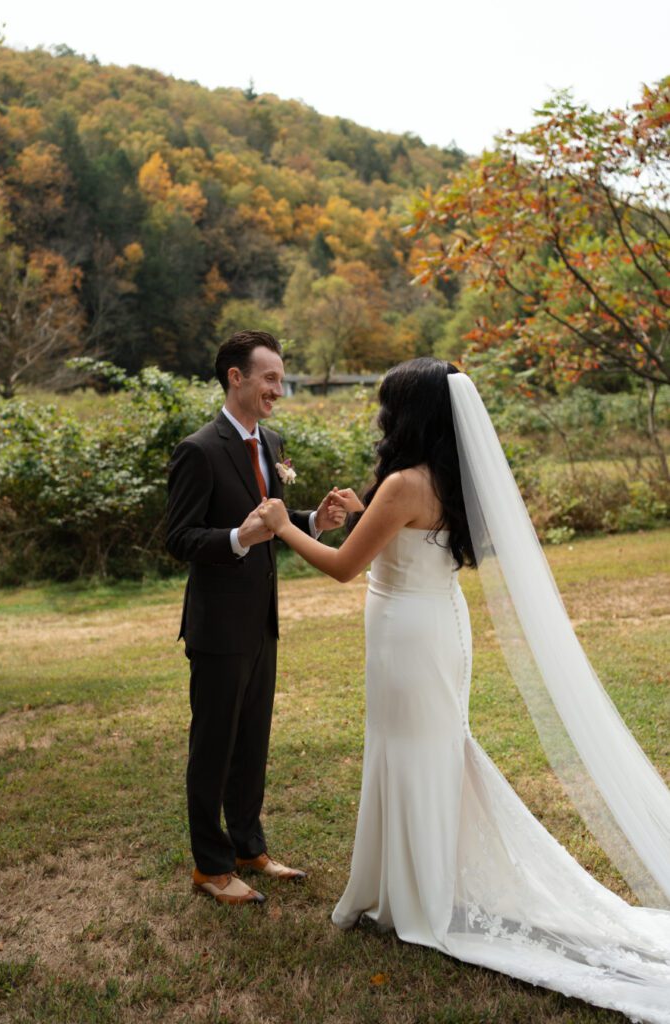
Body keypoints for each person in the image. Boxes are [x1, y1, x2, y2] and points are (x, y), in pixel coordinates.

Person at [257, 357, 670, 1023]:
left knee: (414, 753)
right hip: (434, 627)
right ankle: (411, 884)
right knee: (427, 751)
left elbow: (340, 568)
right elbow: (409, 540)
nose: (379, 416)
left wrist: (283, 527)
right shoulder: (445, 478)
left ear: (409, 415)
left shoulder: (401, 483)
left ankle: (415, 898)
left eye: (386, 405)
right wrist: (362, 513)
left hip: (407, 638)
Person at [166, 330, 345, 906]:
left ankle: (249, 848)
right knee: (213, 747)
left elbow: (272, 515)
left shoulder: (270, 439)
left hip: (263, 621)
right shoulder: (199, 449)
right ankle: (210, 868)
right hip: (217, 627)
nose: (279, 388)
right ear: (236, 378)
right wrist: (238, 537)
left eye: (281, 377)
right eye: (270, 377)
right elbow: (180, 537)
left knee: (253, 744)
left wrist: (313, 518)